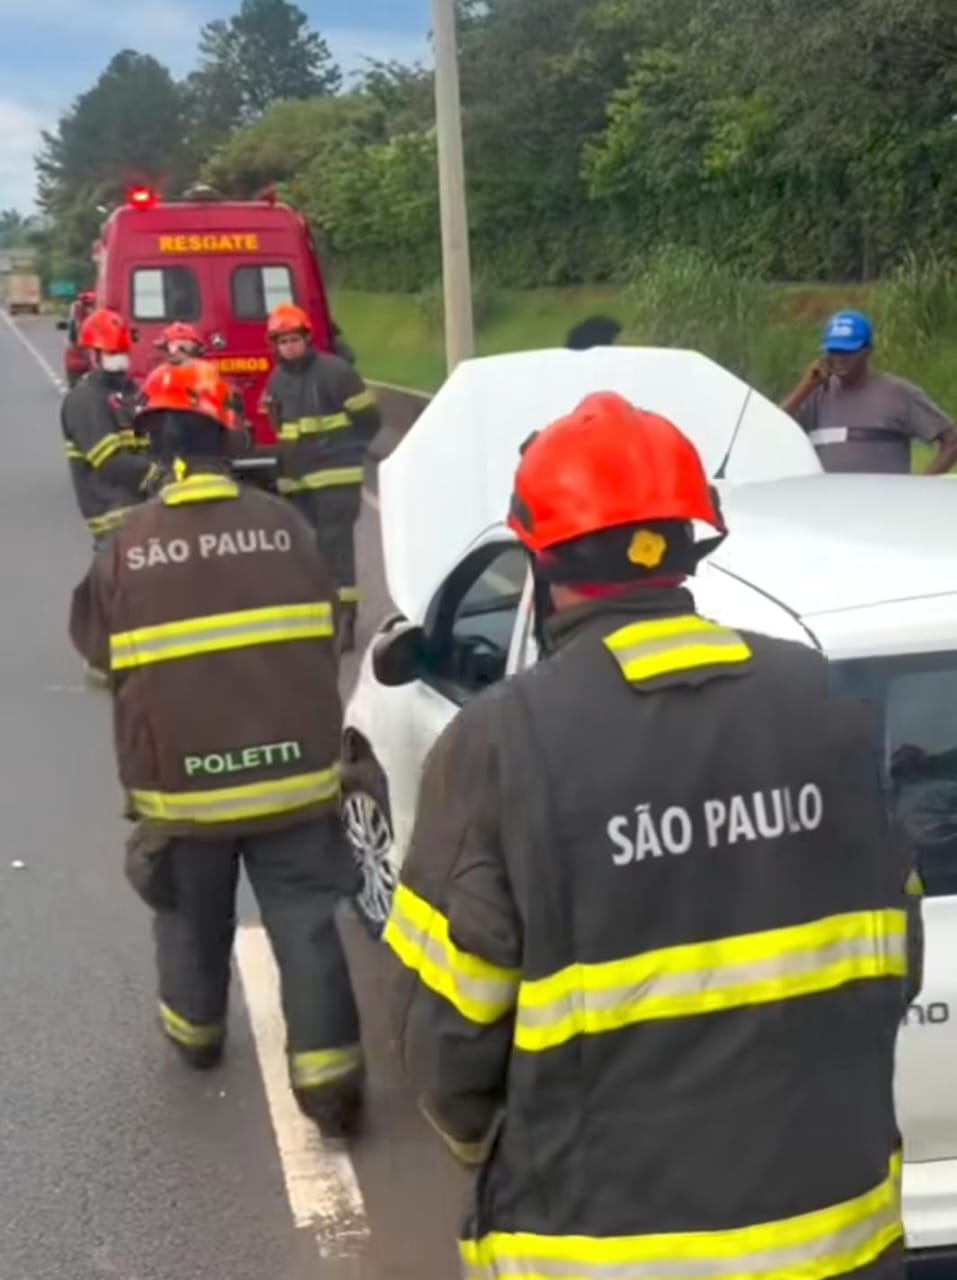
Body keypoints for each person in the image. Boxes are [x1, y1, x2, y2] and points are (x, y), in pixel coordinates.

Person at [386, 392, 922, 1280]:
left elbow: (444, 1043)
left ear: (539, 554)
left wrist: (511, 1153)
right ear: (687, 546)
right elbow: (892, 961)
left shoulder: (502, 742)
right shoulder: (825, 705)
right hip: (838, 1236)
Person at [69, 359, 364, 1138]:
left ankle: (197, 1037)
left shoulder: (128, 547)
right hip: (295, 784)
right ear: (230, 433)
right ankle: (331, 1084)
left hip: (184, 792)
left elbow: (99, 657)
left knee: (189, 916)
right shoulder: (287, 524)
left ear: (155, 440)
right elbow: (328, 626)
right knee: (304, 924)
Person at [262, 303, 382, 653]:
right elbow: (280, 431)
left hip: (336, 478)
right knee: (310, 551)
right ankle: (323, 613)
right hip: (299, 482)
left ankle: (345, 617)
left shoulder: (336, 373)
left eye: (294, 339)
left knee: (335, 545)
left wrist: (349, 450)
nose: (289, 347)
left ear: (306, 338)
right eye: (282, 341)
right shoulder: (277, 381)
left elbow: (369, 419)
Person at [782, 309, 957, 474]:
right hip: (828, 503)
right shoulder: (815, 395)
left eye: (848, 351)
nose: (840, 358)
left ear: (868, 351)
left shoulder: (898, 393)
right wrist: (804, 388)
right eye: (834, 351)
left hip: (884, 503)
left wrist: (919, 489)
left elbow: (952, 441)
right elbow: (771, 431)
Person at [60, 307, 153, 551]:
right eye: (112, 352)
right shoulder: (85, 400)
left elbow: (155, 437)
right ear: (92, 354)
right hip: (114, 519)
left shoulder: (133, 393)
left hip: (148, 512)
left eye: (121, 352)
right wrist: (158, 474)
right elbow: (109, 461)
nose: (119, 358)